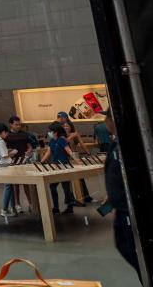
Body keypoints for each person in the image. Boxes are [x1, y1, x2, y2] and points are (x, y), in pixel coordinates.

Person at [100, 111, 140, 279]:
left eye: (106, 118)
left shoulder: (129, 141)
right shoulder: (116, 142)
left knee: (134, 249)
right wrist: (112, 195)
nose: (104, 122)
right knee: (124, 244)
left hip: (129, 209)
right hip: (121, 207)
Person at [41, 123, 77, 214]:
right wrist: (41, 162)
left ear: (55, 132)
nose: (49, 133)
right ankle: (56, 208)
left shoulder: (62, 140)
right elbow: (48, 152)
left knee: (66, 187)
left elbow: (69, 151)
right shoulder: (52, 141)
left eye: (50, 131)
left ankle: (70, 207)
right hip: (55, 166)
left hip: (64, 166)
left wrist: (77, 161)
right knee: (52, 187)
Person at [4, 116, 35, 213]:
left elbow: (29, 146)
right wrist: (11, 152)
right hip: (13, 162)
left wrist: (29, 151)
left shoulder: (24, 134)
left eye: (19, 124)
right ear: (11, 124)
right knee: (15, 184)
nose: (18, 126)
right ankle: (17, 204)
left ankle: (30, 203)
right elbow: (5, 150)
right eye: (16, 124)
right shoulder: (7, 136)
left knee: (26, 183)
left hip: (24, 160)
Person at [0, 123, 18, 217]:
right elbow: (4, 155)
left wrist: (7, 150)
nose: (7, 135)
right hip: (5, 164)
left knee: (9, 186)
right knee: (8, 186)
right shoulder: (0, 141)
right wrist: (12, 152)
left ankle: (13, 209)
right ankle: (4, 209)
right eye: (6, 133)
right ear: (3, 132)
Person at [61, 120, 92, 205]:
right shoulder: (62, 136)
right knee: (69, 179)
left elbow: (82, 144)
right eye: (64, 126)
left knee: (80, 178)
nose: (65, 127)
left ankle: (85, 196)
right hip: (67, 158)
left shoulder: (75, 134)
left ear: (71, 127)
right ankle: (71, 198)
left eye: (67, 126)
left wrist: (88, 152)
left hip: (75, 156)